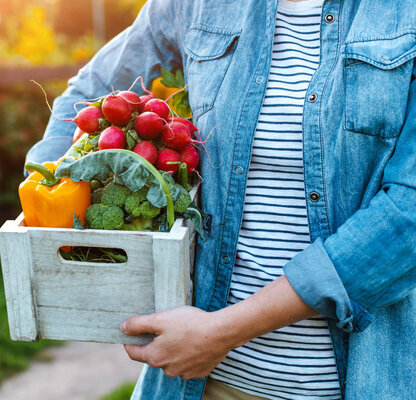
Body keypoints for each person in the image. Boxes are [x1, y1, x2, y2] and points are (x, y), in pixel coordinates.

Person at [25, 0, 416, 399]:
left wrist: (221, 333)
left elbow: (407, 216)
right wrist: (46, 197)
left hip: (355, 383)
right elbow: (92, 90)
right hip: (197, 382)